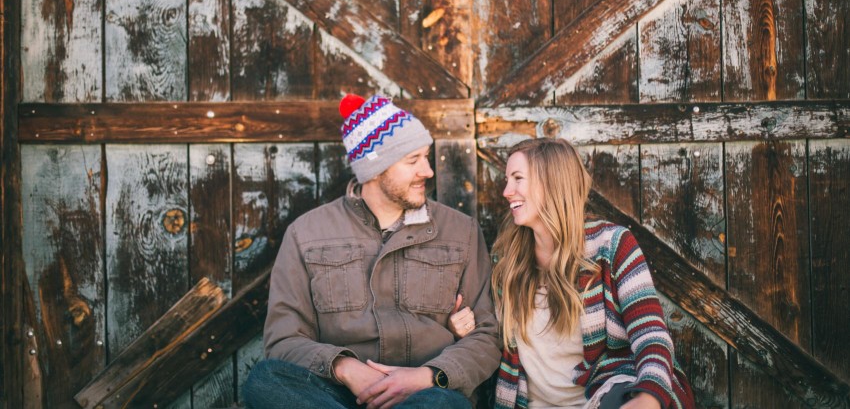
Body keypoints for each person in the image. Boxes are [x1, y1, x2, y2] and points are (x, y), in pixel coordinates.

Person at [243, 93, 501, 409]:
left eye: (426, 157)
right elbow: (284, 340)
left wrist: (427, 376)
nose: (428, 171)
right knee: (266, 380)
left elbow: (487, 336)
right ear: (375, 168)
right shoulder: (307, 233)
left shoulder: (461, 231)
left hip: (426, 394)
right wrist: (344, 369)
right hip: (335, 397)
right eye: (413, 160)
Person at [454, 138, 695, 409]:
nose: (507, 191)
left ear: (552, 182)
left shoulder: (612, 245)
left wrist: (649, 397)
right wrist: (465, 328)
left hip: (603, 397)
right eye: (508, 179)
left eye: (518, 178)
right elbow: (493, 339)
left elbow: (650, 333)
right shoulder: (507, 260)